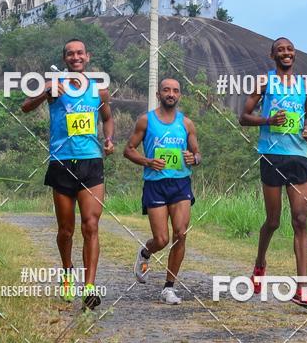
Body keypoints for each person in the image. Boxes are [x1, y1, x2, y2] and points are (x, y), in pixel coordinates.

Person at [21, 38, 114, 310]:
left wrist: (108, 139)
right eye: (71, 54)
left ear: (88, 56)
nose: (76, 57)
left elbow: (107, 118)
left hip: (91, 162)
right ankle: (66, 273)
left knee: (91, 225)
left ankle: (90, 286)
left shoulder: (99, 89)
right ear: (65, 59)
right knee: (66, 230)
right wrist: (45, 93)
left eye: (80, 53)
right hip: (61, 162)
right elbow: (25, 108)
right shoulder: (54, 85)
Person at [239, 37, 307, 309]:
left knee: (301, 219)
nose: (286, 53)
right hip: (271, 157)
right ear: (273, 55)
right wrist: (268, 120)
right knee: (273, 221)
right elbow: (243, 117)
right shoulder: (264, 82)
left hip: (298, 158)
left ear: (294, 55)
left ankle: (302, 288)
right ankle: (260, 266)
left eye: (290, 49)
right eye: (281, 50)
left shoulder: (306, 86)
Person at [124, 78, 201, 304]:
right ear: (158, 94)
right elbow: (128, 150)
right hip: (155, 185)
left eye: (175, 90)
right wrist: (147, 161)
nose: (171, 93)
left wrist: (192, 158)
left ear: (180, 96)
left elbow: (197, 154)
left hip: (180, 183)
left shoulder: (186, 124)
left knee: (180, 234)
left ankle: (169, 288)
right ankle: (146, 252)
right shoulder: (146, 121)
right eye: (166, 90)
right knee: (162, 239)